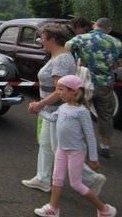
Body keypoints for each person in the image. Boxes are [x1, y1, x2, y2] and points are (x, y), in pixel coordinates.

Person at [22, 24, 105, 194]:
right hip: (53, 109)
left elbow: (60, 91)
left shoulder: (61, 60)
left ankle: (91, 178)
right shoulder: (58, 56)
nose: (40, 40)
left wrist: (40, 104)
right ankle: (43, 179)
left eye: (42, 37)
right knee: (46, 144)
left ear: (52, 39)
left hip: (57, 110)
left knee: (60, 149)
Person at [34, 75, 117, 217]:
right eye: (57, 89)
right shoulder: (62, 107)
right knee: (57, 179)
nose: (58, 92)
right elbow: (52, 118)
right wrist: (38, 110)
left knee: (76, 184)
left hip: (76, 152)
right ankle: (53, 209)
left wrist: (93, 158)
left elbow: (90, 136)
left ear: (75, 91)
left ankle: (104, 209)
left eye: (61, 89)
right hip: (61, 149)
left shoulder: (82, 111)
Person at [66, 17, 122, 158]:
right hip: (105, 85)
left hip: (84, 83)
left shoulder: (82, 38)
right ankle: (105, 146)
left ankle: (77, 144)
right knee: (106, 116)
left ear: (95, 25)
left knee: (77, 112)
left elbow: (67, 47)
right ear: (109, 29)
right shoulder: (117, 42)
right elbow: (117, 65)